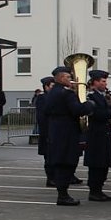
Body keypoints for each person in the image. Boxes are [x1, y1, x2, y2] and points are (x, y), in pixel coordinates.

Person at [45, 66, 95, 206]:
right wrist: (90, 104)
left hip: (55, 130)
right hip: (67, 132)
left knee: (61, 161)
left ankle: (62, 193)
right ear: (61, 78)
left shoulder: (52, 92)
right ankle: (63, 195)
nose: (71, 80)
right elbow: (77, 110)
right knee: (67, 162)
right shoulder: (66, 93)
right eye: (68, 77)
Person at [83, 70, 111, 202]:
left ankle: (99, 189)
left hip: (103, 133)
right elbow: (98, 115)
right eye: (102, 81)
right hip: (96, 134)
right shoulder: (91, 97)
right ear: (95, 82)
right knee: (97, 164)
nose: (105, 83)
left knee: (103, 164)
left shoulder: (101, 95)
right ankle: (94, 190)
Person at [35, 77, 56, 186]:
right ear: (46, 87)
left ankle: (55, 177)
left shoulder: (54, 97)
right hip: (47, 131)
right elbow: (42, 117)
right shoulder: (42, 98)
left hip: (55, 131)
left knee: (55, 156)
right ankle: (50, 178)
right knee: (49, 157)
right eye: (52, 86)